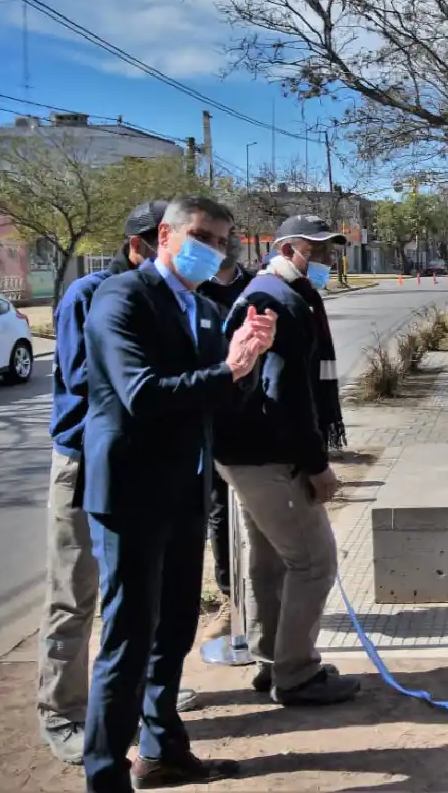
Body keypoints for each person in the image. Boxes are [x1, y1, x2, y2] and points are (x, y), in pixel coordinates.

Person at [82, 196, 276, 793]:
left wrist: (250, 362)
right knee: (128, 637)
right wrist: (230, 370)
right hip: (133, 496)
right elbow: (143, 394)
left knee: (173, 632)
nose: (212, 249)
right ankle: (106, 777)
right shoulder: (123, 298)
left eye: (221, 241)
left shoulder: (205, 307)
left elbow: (217, 398)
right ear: (164, 235)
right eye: (201, 236)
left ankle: (162, 748)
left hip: (189, 490)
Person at [37, 201, 200, 766]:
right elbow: (94, 378)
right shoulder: (98, 297)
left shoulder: (171, 300)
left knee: (139, 601)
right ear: (143, 244)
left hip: (142, 468)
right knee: (77, 590)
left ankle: (146, 708)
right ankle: (63, 708)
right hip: (85, 460)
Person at [214, 215, 360, 706]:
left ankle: (273, 661)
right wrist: (316, 465)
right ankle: (296, 674)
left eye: (331, 251)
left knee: (272, 561)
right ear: (288, 248)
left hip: (247, 450)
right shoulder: (276, 299)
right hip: (267, 454)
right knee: (315, 561)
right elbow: (286, 395)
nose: (326, 259)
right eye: (316, 250)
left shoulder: (281, 294)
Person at [197, 233, 256, 641]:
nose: (219, 247)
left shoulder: (257, 288)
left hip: (253, 415)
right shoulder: (191, 292)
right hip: (207, 415)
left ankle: (264, 598)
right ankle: (230, 599)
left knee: (257, 513)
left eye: (224, 238)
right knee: (219, 514)